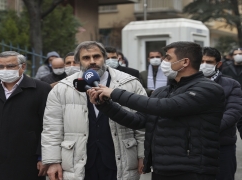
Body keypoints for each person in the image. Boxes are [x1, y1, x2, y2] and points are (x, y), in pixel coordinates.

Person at [88, 41, 225, 180]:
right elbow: (138, 121)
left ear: (184, 62)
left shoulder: (208, 89)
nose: (162, 61)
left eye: (168, 58)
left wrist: (114, 93)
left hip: (194, 169)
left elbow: (166, 107)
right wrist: (105, 105)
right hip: (162, 168)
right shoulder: (162, 91)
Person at [42, 41, 145, 180]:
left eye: (96, 56)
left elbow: (142, 124)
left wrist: (142, 155)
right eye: (86, 58)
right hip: (79, 163)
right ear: (78, 61)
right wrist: (53, 161)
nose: (92, 62)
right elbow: (52, 128)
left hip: (119, 160)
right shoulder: (62, 88)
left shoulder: (130, 83)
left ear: (104, 57)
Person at [0, 51, 51, 180]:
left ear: (22, 67)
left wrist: (43, 156)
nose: (5, 70)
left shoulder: (41, 90)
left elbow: (48, 126)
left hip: (28, 160)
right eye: (1, 67)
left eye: (11, 66)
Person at [200, 47, 242, 180]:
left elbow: (233, 112)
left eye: (209, 62)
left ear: (218, 64)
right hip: (195, 146)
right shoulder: (186, 84)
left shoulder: (231, 84)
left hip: (222, 145)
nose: (204, 65)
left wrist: (207, 129)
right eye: (201, 61)